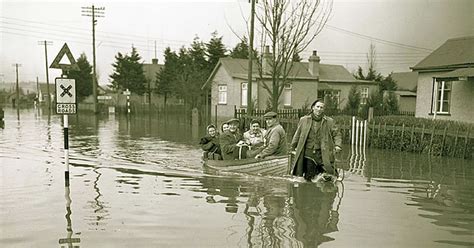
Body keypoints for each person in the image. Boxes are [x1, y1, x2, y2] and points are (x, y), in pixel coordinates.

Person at [290, 99, 342, 182]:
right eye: (317, 107)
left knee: (330, 176)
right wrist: (293, 146)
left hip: (323, 152)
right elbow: (298, 134)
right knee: (310, 177)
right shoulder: (303, 120)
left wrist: (338, 145)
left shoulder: (329, 121)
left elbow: (337, 134)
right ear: (313, 108)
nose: (319, 109)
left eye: (321, 107)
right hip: (308, 152)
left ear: (323, 109)